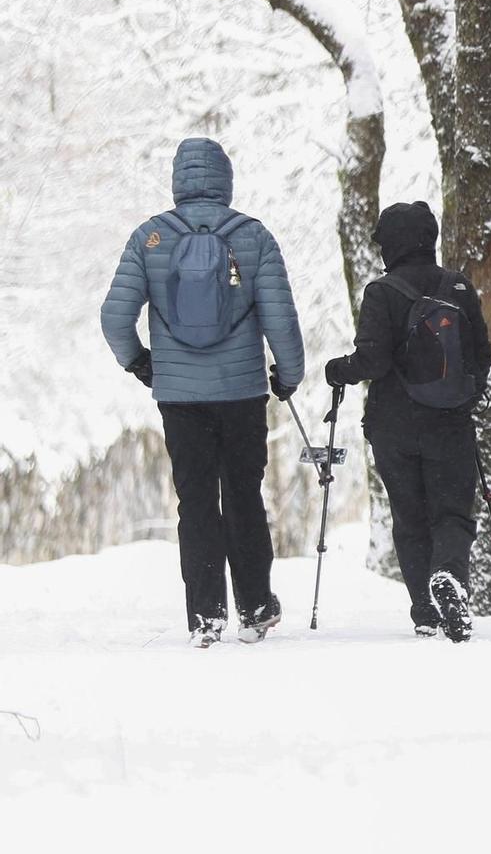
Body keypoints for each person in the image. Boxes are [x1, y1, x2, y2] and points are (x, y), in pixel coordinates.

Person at [99, 137, 304, 647]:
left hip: (180, 397)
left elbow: (114, 317)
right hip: (241, 393)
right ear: (226, 181)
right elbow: (280, 317)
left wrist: (141, 363)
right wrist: (289, 374)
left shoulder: (150, 238)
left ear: (178, 181)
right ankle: (255, 610)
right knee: (242, 496)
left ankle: (205, 617)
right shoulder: (253, 236)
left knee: (195, 502)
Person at [324, 201, 491, 642]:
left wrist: (338, 370)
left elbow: (373, 361)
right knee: (452, 513)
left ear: (392, 245)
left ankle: (425, 610)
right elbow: (482, 357)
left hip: (394, 427)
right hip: (450, 423)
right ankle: (450, 577)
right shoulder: (459, 288)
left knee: (410, 517)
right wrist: (462, 397)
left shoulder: (382, 293)